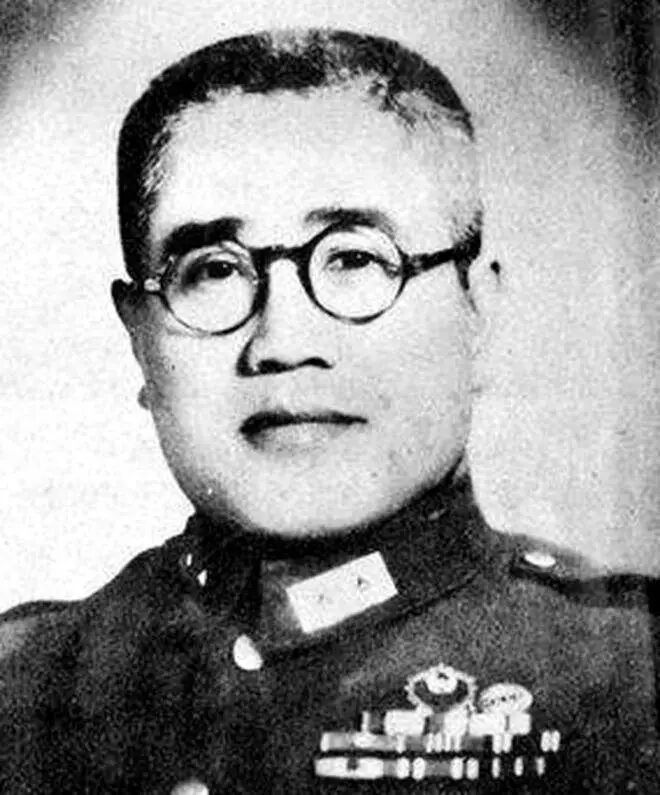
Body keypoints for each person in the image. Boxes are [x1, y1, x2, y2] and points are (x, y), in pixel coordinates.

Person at [0, 28, 657, 794]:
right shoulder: (24, 688)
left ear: (477, 315)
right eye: (213, 270)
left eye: (354, 258)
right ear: (140, 340)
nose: (283, 342)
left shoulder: (625, 678)